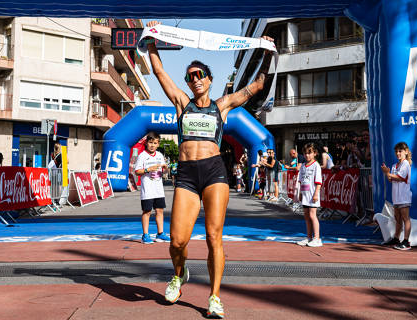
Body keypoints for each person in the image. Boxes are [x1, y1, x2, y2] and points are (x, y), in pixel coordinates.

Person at [145, 20, 274, 317]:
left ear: (209, 79)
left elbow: (256, 86)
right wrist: (151, 38)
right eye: (190, 77)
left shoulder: (222, 105)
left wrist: (267, 52)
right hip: (187, 174)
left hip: (215, 172)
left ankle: (215, 297)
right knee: (177, 240)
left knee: (214, 237)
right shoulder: (182, 103)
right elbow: (159, 72)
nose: (194, 79)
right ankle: (179, 274)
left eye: (199, 75)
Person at [134, 131, 170, 244]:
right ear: (146, 143)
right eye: (150, 142)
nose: (152, 145)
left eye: (155, 143)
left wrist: (166, 168)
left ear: (158, 144)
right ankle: (145, 235)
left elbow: (165, 171)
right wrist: (147, 170)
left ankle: (160, 233)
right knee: (147, 211)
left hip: (158, 189)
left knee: (160, 210)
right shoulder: (142, 156)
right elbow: (137, 172)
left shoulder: (159, 155)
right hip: (148, 190)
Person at [381, 142, 412, 250]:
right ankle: (396, 238)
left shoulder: (406, 164)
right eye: (396, 151)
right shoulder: (395, 165)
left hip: (404, 196)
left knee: (405, 218)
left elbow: (400, 177)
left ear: (406, 152)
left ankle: (406, 241)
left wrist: (388, 173)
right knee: (397, 218)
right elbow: (391, 179)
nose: (398, 153)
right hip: (396, 197)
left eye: (400, 151)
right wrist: (387, 173)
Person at [296, 143, 323, 247]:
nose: (307, 155)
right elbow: (301, 181)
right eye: (305, 153)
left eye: (309, 153)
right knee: (306, 216)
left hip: (313, 195)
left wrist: (316, 194)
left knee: (312, 215)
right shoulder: (303, 166)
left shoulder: (316, 165)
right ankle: (309, 237)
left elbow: (318, 182)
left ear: (315, 153)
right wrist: (300, 193)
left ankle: (317, 238)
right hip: (305, 194)